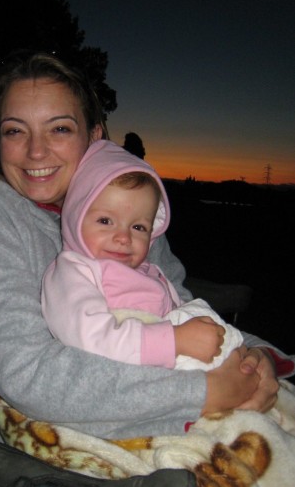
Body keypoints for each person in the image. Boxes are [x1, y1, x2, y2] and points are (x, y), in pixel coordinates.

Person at [0, 51, 281, 454]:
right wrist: (201, 392)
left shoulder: (124, 212)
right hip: (16, 450)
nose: (36, 151)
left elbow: (180, 307)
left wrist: (253, 356)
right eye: (15, 131)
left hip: (144, 410)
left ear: (95, 137)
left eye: (60, 129)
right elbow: (27, 374)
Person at [41, 139, 243, 371]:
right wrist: (175, 341)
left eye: (138, 227)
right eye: (105, 221)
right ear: (75, 217)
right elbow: (89, 338)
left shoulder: (150, 273)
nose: (124, 238)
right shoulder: (73, 270)